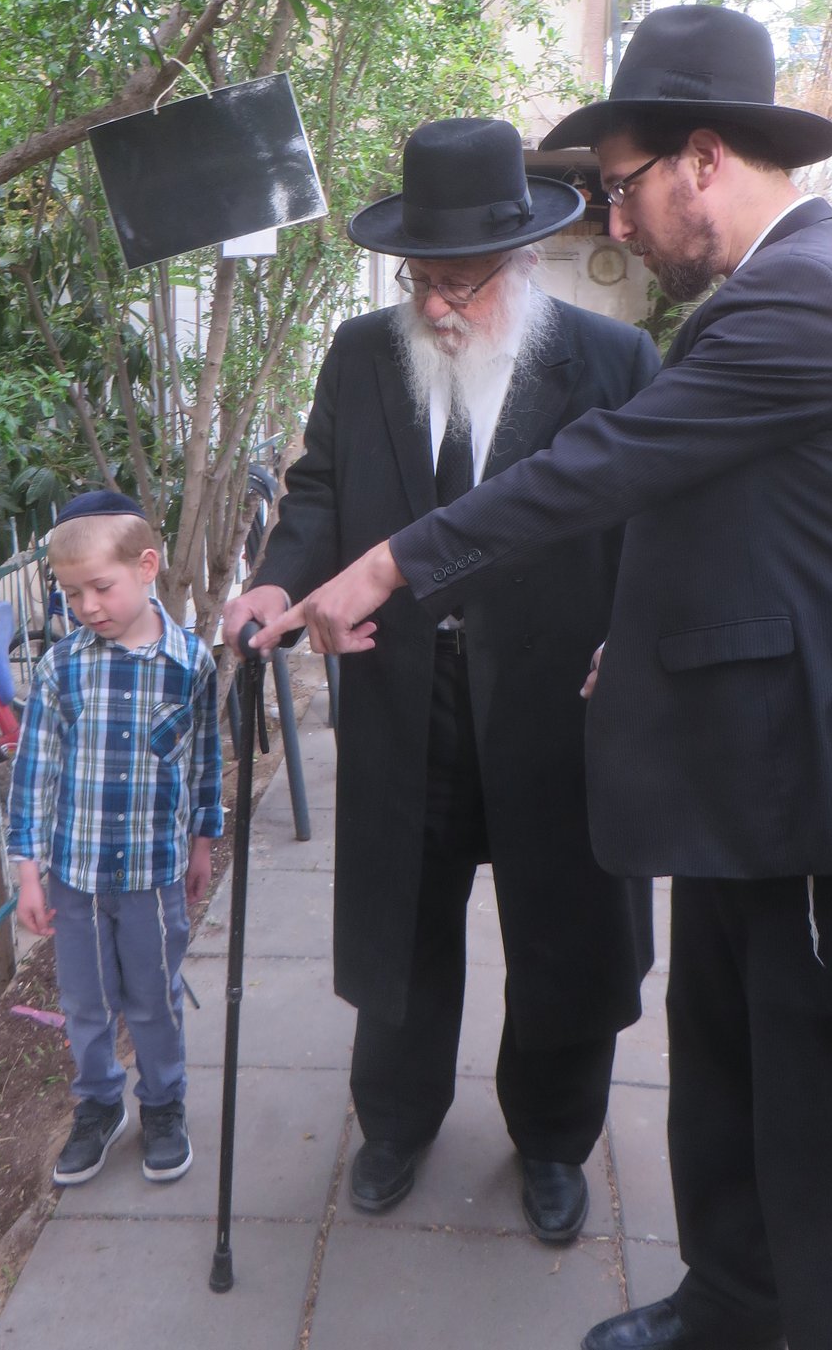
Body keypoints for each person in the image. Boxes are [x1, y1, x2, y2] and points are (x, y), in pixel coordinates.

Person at [256, 8, 832, 1350]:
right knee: (725, 1085)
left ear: (704, 158)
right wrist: (627, 629)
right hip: (738, 777)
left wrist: (382, 569)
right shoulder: (757, 294)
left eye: (622, 186)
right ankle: (730, 1308)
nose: (617, 224)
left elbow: (608, 471)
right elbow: (713, 520)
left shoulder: (814, 296)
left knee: (829, 1136)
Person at [225, 117, 659, 1244]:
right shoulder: (361, 352)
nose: (436, 304)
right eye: (420, 279)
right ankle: (398, 1119)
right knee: (401, 923)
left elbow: (655, 529)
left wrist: (634, 643)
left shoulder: (608, 364)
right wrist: (278, 581)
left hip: (556, 701)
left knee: (563, 923)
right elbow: (317, 487)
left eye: (459, 283)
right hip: (402, 688)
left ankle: (556, 1137)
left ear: (520, 264)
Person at [8, 491, 222, 1188]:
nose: (88, 605)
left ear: (147, 565)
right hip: (76, 873)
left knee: (154, 998)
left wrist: (201, 843)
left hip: (155, 875)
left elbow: (205, 762)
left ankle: (162, 1103)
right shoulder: (62, 667)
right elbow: (34, 769)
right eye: (72, 593)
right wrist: (28, 870)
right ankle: (99, 1103)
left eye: (101, 586)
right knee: (85, 1001)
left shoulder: (188, 663)